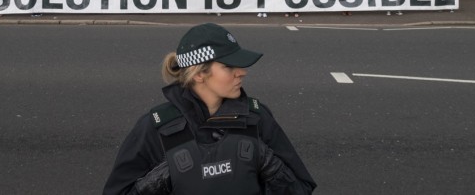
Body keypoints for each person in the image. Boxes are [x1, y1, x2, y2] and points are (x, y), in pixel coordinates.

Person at [103, 23, 317, 194]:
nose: (242, 72)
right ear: (199, 74)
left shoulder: (256, 118)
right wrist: (163, 178)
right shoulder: (157, 127)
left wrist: (267, 162)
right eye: (228, 66)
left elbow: (301, 187)